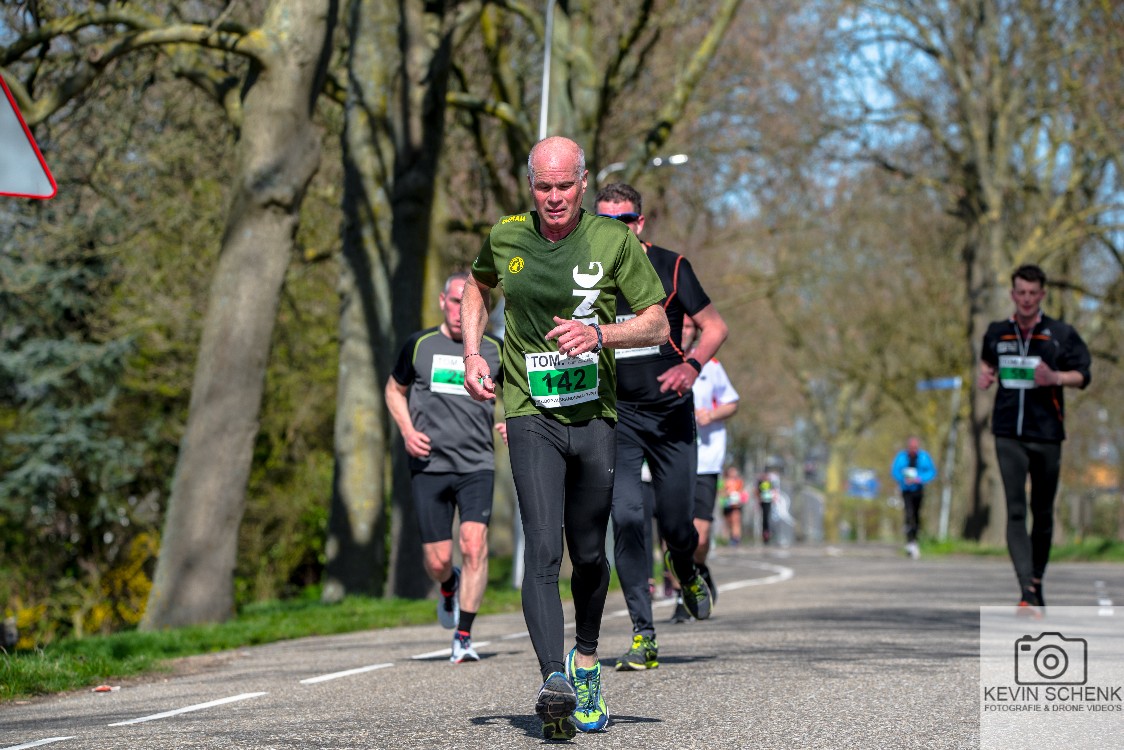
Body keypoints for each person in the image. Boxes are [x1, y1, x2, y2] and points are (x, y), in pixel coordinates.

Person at [460, 137, 669, 738]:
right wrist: (473, 353)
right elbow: (476, 285)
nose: (553, 198)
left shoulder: (612, 240)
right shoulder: (506, 236)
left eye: (564, 186)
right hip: (530, 411)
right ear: (531, 186)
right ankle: (554, 678)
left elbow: (657, 321)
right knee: (543, 548)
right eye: (543, 187)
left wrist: (599, 335)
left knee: (591, 554)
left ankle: (586, 660)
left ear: (582, 184)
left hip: (595, 415)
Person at [592, 182, 727, 672]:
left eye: (624, 220)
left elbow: (715, 327)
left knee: (676, 526)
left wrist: (692, 366)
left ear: (640, 223)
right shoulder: (587, 273)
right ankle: (642, 634)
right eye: (604, 222)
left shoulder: (671, 266)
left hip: (670, 414)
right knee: (627, 520)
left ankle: (685, 567)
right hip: (618, 415)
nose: (616, 229)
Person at [385, 272, 505, 664]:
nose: (459, 310)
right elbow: (394, 390)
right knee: (437, 561)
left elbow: (523, 393)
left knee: (474, 545)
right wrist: (407, 430)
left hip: (476, 464)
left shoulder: (494, 349)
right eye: (454, 301)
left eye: (466, 302)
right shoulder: (418, 345)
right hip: (429, 465)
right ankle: (448, 583)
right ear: (442, 301)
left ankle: (464, 636)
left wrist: (513, 422)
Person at [977, 264, 1091, 609]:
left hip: (1047, 433)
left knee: (1041, 512)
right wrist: (985, 376)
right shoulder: (997, 333)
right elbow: (987, 364)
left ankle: (1037, 579)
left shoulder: (1060, 333)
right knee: (1015, 509)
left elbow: (1083, 375)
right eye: (1021, 292)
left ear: (1042, 294)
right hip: (1007, 432)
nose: (1026, 299)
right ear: (1012, 294)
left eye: (1032, 293)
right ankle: (1026, 589)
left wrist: (1055, 378)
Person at [669, 313, 739, 624]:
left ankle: (699, 570)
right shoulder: (661, 360)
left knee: (700, 535)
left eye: (689, 327)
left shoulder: (710, 365)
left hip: (706, 461)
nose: (684, 331)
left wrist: (711, 415)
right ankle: (680, 597)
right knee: (672, 529)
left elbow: (732, 402)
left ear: (696, 332)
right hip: (671, 457)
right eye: (681, 326)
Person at [890, 436, 937, 559]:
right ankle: (909, 541)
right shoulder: (901, 457)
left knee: (916, 515)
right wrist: (903, 479)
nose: (913, 450)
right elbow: (895, 471)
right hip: (906, 490)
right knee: (908, 514)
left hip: (918, 490)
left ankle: (915, 541)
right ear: (908, 447)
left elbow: (931, 472)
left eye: (915, 447)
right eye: (911, 447)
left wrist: (920, 479)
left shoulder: (924, 457)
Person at [719, 465, 749, 545]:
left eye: (734, 471)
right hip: (727, 504)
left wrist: (739, 497)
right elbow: (720, 492)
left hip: (736, 504)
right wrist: (727, 494)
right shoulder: (723, 482)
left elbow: (743, 492)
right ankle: (730, 537)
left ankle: (736, 538)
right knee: (729, 521)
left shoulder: (739, 481)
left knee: (736, 520)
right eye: (731, 471)